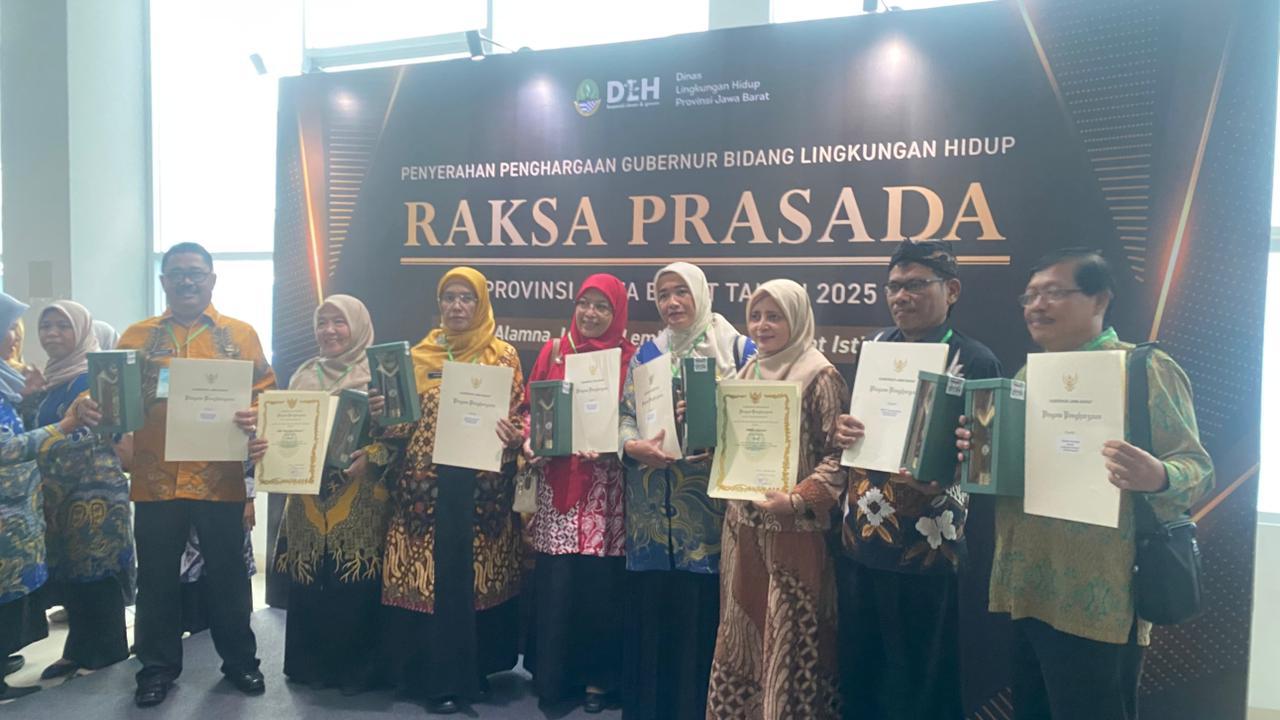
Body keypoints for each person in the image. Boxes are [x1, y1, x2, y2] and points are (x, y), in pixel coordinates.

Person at [956, 248, 1212, 720]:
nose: (1037, 306)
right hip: (1028, 587)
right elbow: (1007, 474)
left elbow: (1196, 468)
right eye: (1030, 296)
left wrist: (1158, 476)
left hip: (1100, 602)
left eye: (1054, 293)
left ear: (1100, 300)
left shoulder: (1143, 368)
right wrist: (978, 451)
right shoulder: (1027, 375)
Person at [832, 240, 1002, 720]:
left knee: (919, 678)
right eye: (893, 287)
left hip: (926, 548)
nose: (900, 297)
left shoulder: (976, 360)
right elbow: (856, 426)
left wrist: (948, 478)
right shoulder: (876, 347)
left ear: (952, 290)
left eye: (915, 285)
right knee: (861, 670)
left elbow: (985, 462)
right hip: (862, 540)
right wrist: (843, 429)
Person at [113, 242, 274, 707]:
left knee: (228, 575)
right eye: (178, 273)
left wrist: (256, 413)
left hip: (219, 475)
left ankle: (240, 662)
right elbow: (114, 396)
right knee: (156, 577)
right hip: (156, 477)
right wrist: (101, 415)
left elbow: (267, 390)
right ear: (164, 281)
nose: (187, 280)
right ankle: (156, 668)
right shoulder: (137, 337)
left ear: (212, 279)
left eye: (196, 272)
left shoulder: (240, 335)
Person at [375, 267, 525, 715]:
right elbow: (399, 429)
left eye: (466, 298)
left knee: (471, 580)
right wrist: (385, 410)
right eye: (449, 298)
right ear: (439, 303)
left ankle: (472, 673)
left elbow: (518, 416)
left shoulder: (503, 356)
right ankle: (433, 678)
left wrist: (515, 433)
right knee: (432, 581)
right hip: (426, 489)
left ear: (480, 304)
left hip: (481, 490)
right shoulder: (418, 355)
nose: (457, 306)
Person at [706, 279, 848, 719]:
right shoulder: (746, 374)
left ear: (798, 319)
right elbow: (732, 446)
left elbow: (840, 457)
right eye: (755, 316)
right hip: (743, 533)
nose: (762, 326)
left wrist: (799, 498)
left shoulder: (821, 376)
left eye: (775, 316)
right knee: (741, 634)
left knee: (792, 638)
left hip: (795, 535)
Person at [619, 261, 755, 720]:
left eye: (681, 292)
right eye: (663, 294)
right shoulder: (647, 354)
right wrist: (630, 445)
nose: (672, 303)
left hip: (708, 519)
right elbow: (624, 416)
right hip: (651, 519)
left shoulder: (737, 350)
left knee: (702, 617)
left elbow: (762, 420)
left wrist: (717, 426)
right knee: (654, 616)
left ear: (701, 293)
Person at [521, 274, 635, 712]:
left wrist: (616, 442)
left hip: (606, 491)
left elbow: (639, 417)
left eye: (602, 306)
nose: (590, 313)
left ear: (617, 312)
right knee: (558, 581)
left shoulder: (631, 360)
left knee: (598, 587)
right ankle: (555, 676)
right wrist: (530, 440)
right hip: (559, 487)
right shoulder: (554, 351)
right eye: (584, 303)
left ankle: (597, 681)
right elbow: (529, 411)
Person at [272, 294, 392, 693]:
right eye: (322, 322)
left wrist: (372, 457)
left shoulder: (378, 375)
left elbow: (400, 438)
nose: (329, 331)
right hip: (307, 502)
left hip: (359, 501)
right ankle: (310, 666)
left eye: (339, 322)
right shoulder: (303, 374)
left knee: (353, 584)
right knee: (311, 583)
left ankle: (355, 671)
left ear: (357, 325)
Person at [0, 292, 99, 699]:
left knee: (86, 578)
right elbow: (8, 446)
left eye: (14, 327)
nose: (15, 337)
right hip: (19, 509)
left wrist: (29, 403)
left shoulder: (81, 378)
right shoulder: (35, 379)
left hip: (51, 503)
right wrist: (62, 424)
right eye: (6, 328)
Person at [33, 301, 135, 680]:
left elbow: (116, 431)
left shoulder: (94, 378)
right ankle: (77, 649)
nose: (52, 334)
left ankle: (108, 654)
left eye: (63, 326)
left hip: (96, 494)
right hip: (58, 495)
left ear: (81, 331)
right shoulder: (52, 380)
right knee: (72, 574)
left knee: (99, 573)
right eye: (46, 326)